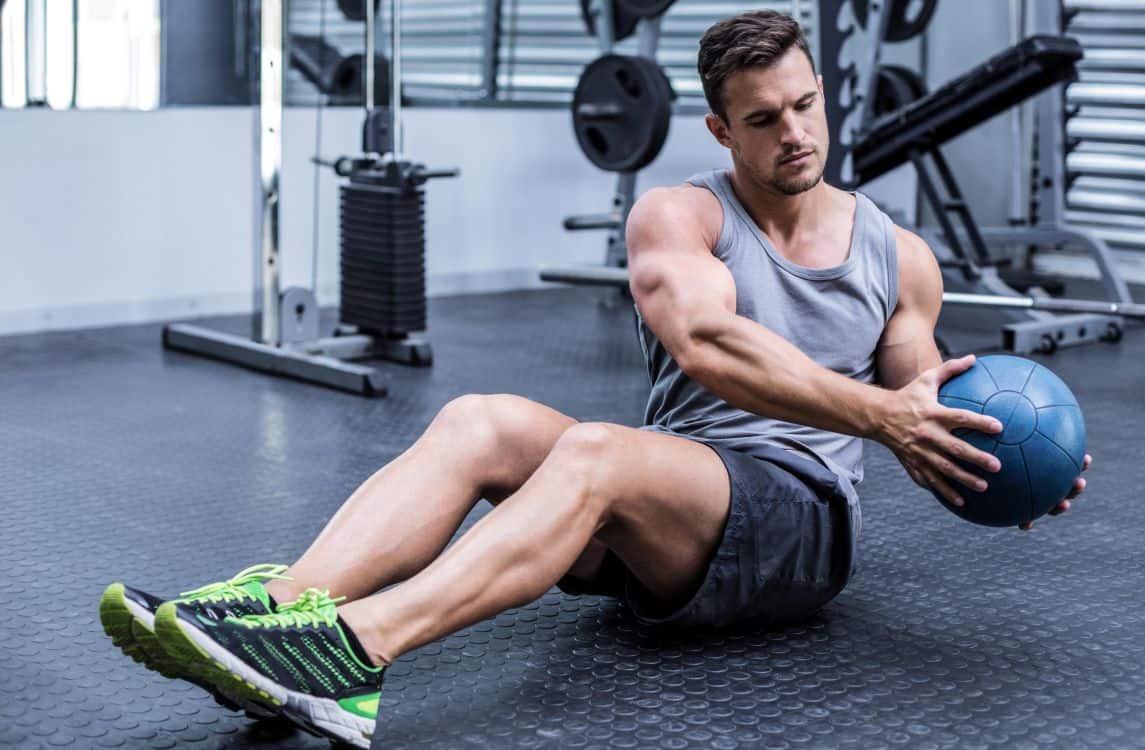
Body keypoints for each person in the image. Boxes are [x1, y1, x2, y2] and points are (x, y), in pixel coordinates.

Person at [98, 10, 1091, 748]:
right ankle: (272, 621)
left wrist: (993, 463)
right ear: (718, 131)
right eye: (761, 119)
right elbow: (707, 343)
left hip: (800, 524)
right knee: (481, 418)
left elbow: (926, 406)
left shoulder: (898, 256)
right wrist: (881, 412)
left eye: (803, 106)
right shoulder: (678, 215)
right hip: (680, 495)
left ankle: (350, 653)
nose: (793, 133)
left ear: (820, 96)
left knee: (596, 454)